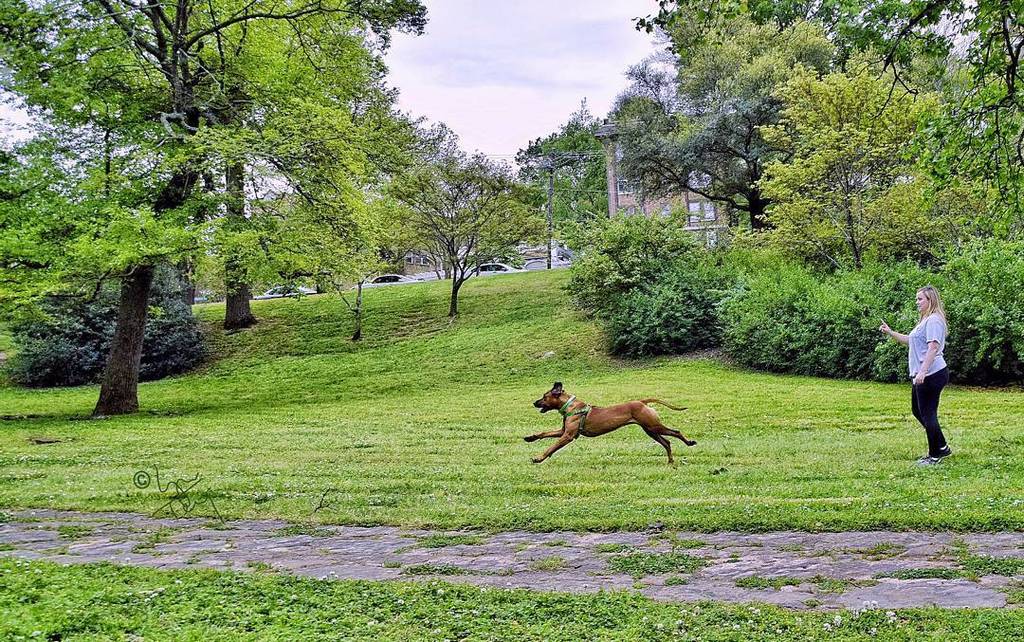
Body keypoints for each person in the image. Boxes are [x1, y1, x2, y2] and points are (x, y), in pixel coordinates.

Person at [880, 286, 952, 466]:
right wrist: (890, 332)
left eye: (920, 299)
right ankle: (942, 446)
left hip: (932, 373)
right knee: (918, 411)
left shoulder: (934, 320)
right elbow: (910, 341)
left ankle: (935, 455)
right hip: (923, 374)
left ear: (930, 300)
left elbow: (933, 348)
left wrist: (923, 371)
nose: (917, 302)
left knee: (928, 414)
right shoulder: (924, 321)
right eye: (917, 299)